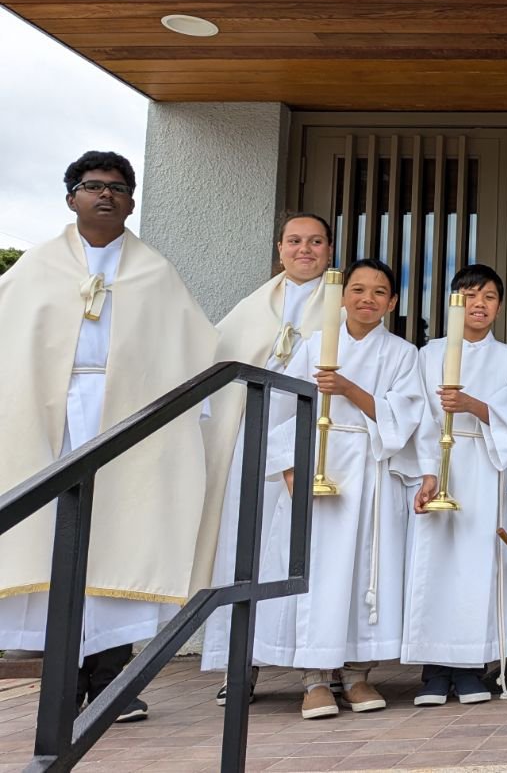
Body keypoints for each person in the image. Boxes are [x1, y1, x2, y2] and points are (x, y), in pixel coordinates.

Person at [0, 150, 218, 723]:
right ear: (70, 195)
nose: (106, 195)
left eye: (119, 188)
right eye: (93, 185)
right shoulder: (34, 270)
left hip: (130, 427)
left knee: (121, 541)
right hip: (46, 424)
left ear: (132, 201)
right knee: (54, 542)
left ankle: (112, 679)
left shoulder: (155, 273)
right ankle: (63, 680)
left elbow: (192, 352)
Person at [252, 258, 425, 719]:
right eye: (358, 289)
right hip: (319, 468)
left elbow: (404, 418)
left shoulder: (403, 354)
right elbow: (284, 409)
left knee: (365, 572)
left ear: (392, 301)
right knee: (321, 572)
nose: (367, 299)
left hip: (370, 469)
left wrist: (347, 387)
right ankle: (314, 677)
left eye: (379, 291)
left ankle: (357, 673)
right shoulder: (312, 347)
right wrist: (291, 470)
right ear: (342, 296)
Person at [200, 211, 336, 703]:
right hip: (254, 443)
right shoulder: (252, 307)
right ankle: (242, 664)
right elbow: (215, 360)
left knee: (310, 552)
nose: (306, 249)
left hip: (316, 446)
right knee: (248, 549)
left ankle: (316, 667)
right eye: (296, 241)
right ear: (279, 248)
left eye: (316, 241)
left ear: (329, 250)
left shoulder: (341, 305)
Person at [401, 264, 507, 705]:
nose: (480, 304)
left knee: (480, 568)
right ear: (454, 301)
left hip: (486, 466)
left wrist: (471, 404)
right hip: (439, 466)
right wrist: (428, 473)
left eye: (490, 296)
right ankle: (434, 672)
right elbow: (419, 418)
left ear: (499, 306)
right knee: (435, 567)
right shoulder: (427, 354)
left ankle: (474, 667)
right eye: (470, 295)